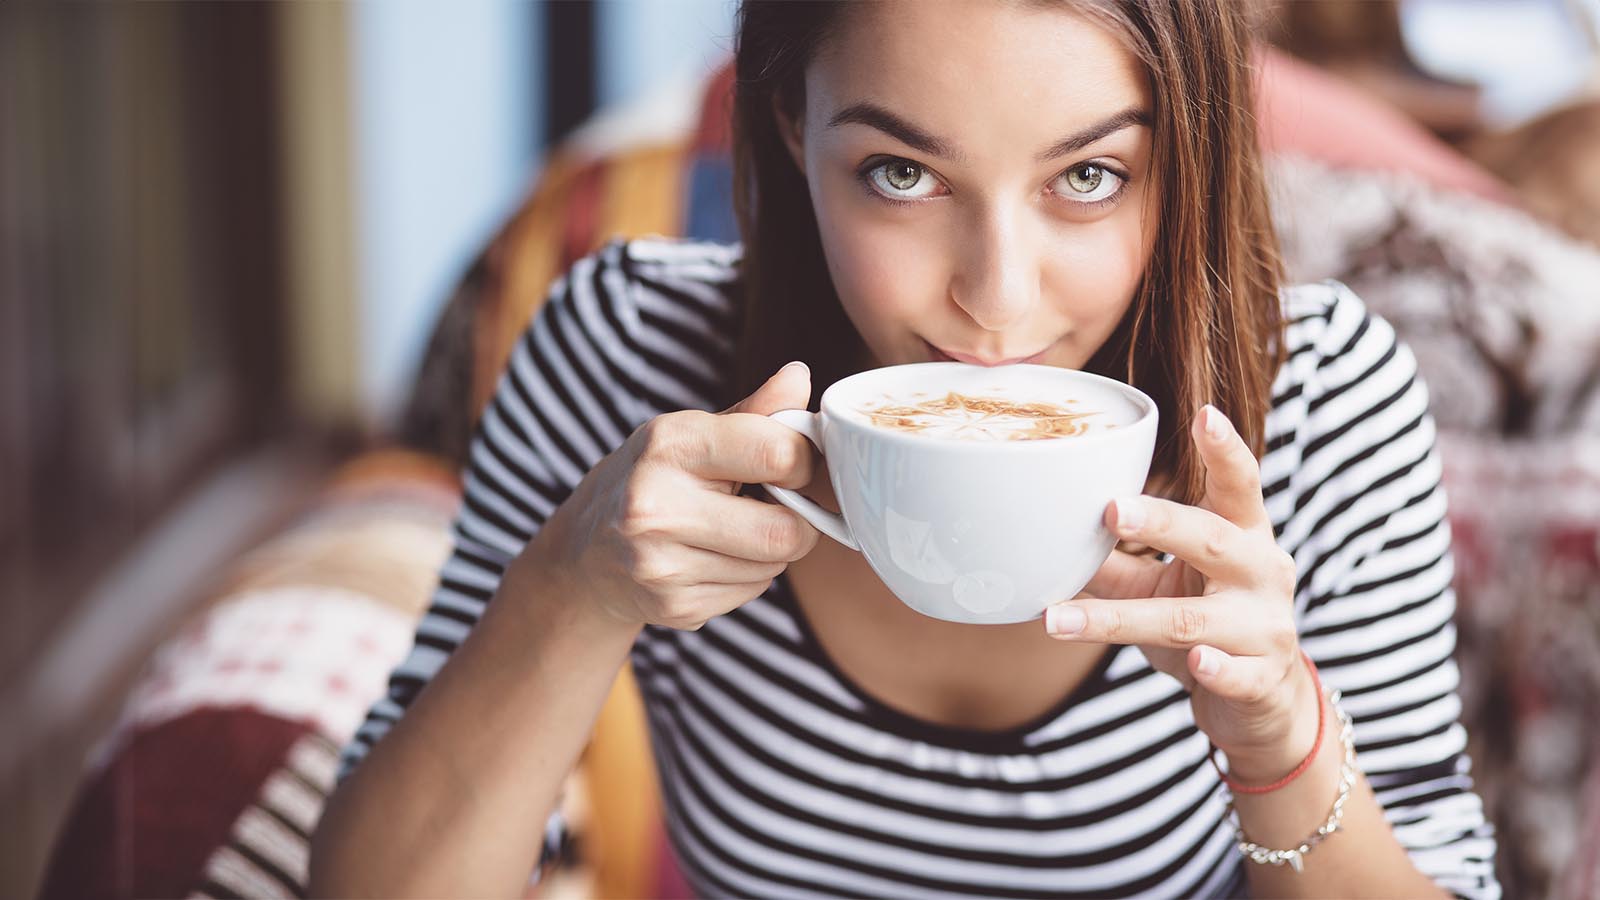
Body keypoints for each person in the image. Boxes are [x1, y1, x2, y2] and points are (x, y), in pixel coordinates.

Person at [309, 1, 1499, 896]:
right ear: (789, 128)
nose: (995, 299)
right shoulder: (623, 359)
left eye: (1088, 177)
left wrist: (1277, 734)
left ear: (1182, 158)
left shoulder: (1320, 406)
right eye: (902, 173)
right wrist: (570, 590)